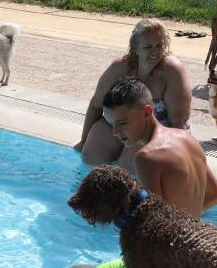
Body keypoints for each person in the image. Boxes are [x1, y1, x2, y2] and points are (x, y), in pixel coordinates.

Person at [30, 77, 217, 268]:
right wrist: (186, 218)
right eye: (112, 124)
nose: (115, 133)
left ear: (147, 111)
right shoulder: (188, 139)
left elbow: (151, 225)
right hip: (190, 255)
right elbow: (216, 195)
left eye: (122, 123)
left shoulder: (147, 156)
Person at [73, 18, 191, 173]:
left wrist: (178, 158)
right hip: (116, 124)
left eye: (160, 45)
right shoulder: (119, 67)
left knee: (127, 171)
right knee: (91, 156)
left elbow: (179, 123)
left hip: (153, 130)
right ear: (135, 48)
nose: (155, 52)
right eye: (148, 47)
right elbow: (96, 105)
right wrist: (83, 141)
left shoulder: (172, 71)